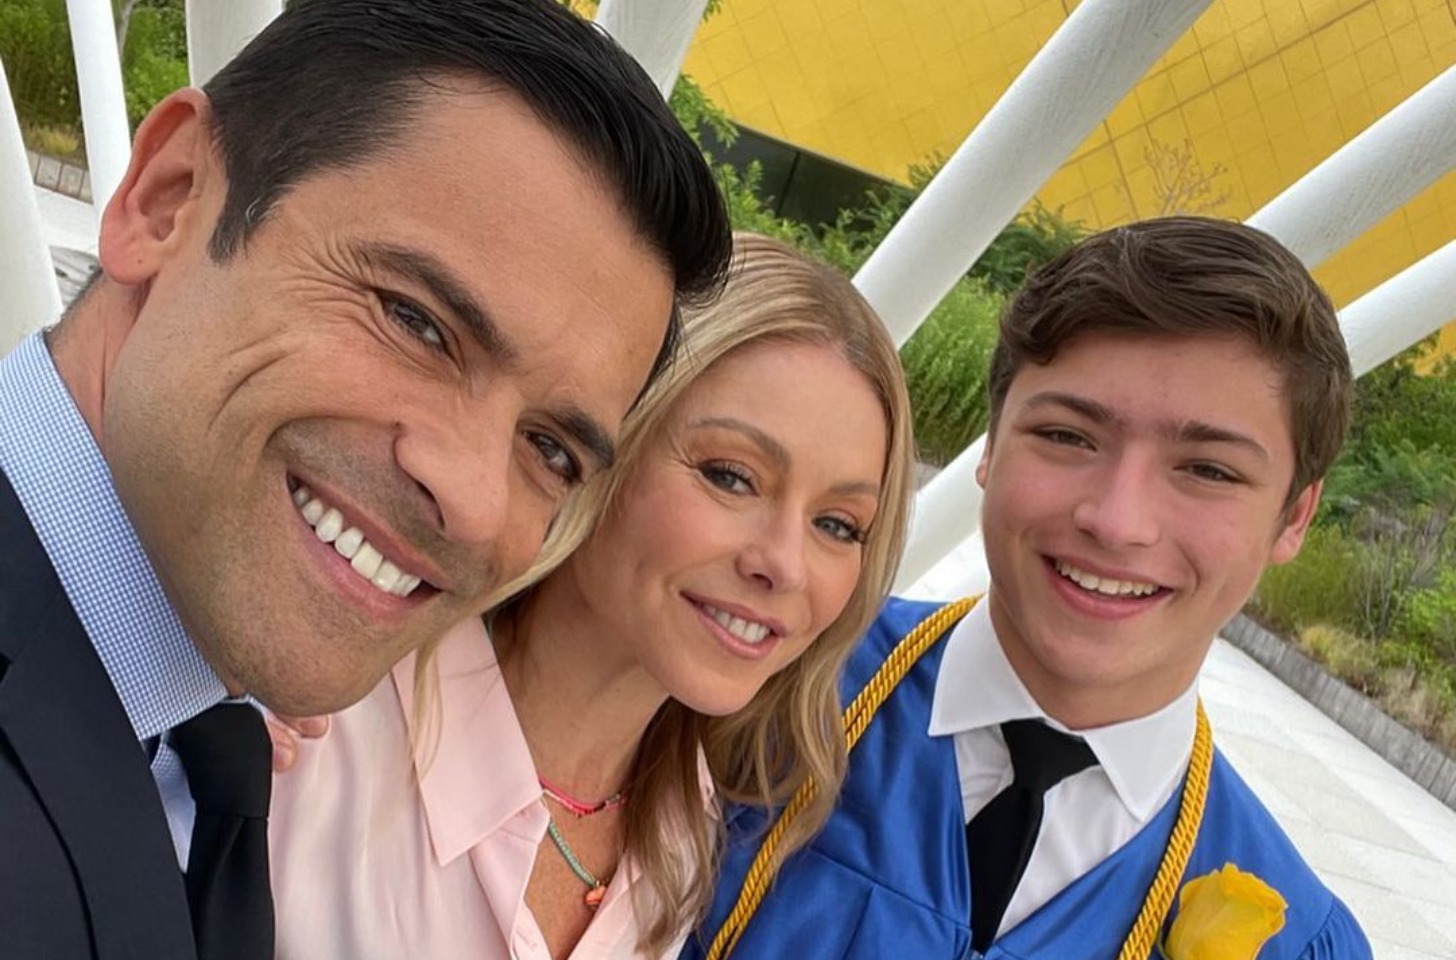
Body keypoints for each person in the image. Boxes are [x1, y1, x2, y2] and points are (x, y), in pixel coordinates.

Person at [0, 1, 731, 957]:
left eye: (550, 449)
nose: (473, 500)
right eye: (416, 321)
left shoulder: (203, 740)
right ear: (167, 199)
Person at [686, 218, 1373, 959]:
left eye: (1208, 470)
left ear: (1293, 517)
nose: (1116, 522)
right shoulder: (752, 681)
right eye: (1068, 437)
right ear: (991, 443)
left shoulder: (1296, 941)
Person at [265, 233, 917, 959]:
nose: (785, 565)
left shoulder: (698, 840)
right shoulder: (309, 732)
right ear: (599, 446)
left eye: (837, 524)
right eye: (732, 476)